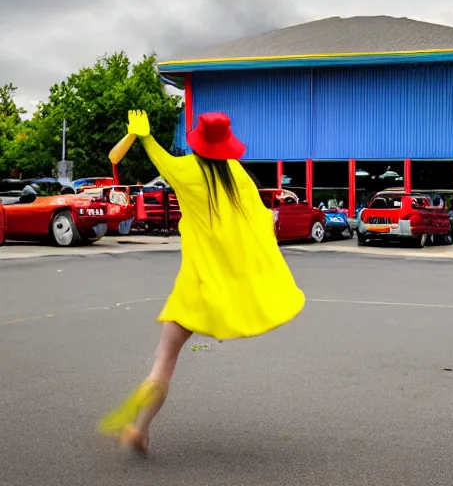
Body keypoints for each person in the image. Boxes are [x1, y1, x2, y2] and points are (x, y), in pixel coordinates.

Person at [99, 110, 305, 454]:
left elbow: (152, 158)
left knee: (164, 361)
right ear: (227, 146)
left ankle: (140, 429)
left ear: (197, 142)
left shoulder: (184, 172)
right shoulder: (239, 177)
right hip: (226, 290)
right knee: (166, 358)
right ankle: (138, 429)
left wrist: (144, 135)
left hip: (194, 290)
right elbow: (263, 224)